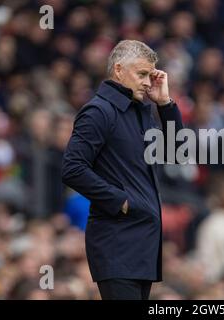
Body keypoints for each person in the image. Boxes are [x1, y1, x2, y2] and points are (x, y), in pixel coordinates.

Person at [61, 40, 183, 300]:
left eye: (151, 75)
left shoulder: (143, 113)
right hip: (117, 241)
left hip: (143, 244)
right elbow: (72, 168)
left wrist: (166, 105)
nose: (148, 82)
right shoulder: (98, 111)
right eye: (141, 74)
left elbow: (176, 155)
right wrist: (121, 201)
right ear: (118, 70)